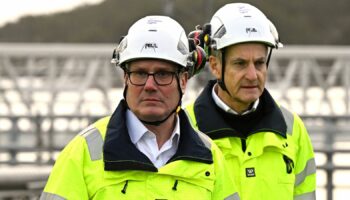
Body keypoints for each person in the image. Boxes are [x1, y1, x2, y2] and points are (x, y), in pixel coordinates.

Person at [40, 15, 239, 200]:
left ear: (184, 80)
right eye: (140, 74)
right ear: (125, 78)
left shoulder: (209, 156)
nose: (150, 86)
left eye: (163, 74)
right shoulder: (82, 153)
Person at [185, 3, 316, 200]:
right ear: (215, 66)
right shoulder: (185, 129)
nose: (252, 75)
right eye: (240, 64)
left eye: (259, 63)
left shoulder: (293, 129)